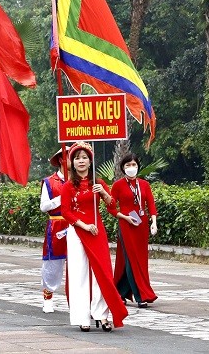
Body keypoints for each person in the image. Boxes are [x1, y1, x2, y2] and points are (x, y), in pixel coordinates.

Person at [59, 142, 127, 331]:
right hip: (78, 231)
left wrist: (104, 192)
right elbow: (66, 211)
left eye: (84, 157)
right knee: (79, 274)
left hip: (97, 231)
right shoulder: (67, 186)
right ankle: (83, 317)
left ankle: (102, 315)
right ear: (72, 162)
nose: (81, 161)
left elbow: (112, 205)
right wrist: (84, 226)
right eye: (77, 158)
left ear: (90, 161)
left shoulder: (98, 183)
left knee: (102, 274)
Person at [109, 153, 158, 308]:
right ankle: (140, 295)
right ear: (123, 168)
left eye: (134, 165)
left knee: (139, 260)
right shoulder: (118, 185)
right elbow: (110, 207)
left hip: (141, 226)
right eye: (128, 165)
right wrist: (123, 216)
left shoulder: (144, 184)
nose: (131, 168)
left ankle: (120, 292)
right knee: (131, 259)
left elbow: (151, 204)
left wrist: (154, 222)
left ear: (138, 166)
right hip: (126, 225)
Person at [39, 146, 71, 313]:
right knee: (53, 263)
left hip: (77, 225)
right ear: (61, 160)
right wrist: (61, 198)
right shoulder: (49, 182)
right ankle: (48, 297)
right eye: (70, 157)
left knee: (77, 263)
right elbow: (44, 206)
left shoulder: (82, 181)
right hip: (57, 225)